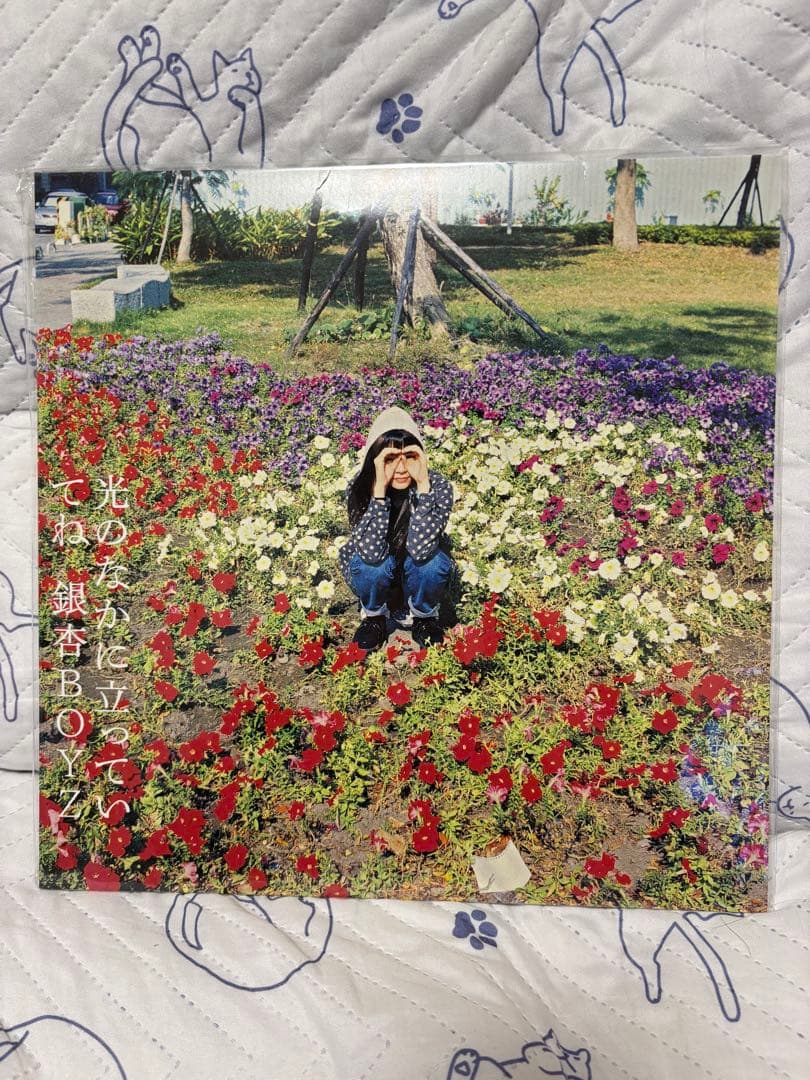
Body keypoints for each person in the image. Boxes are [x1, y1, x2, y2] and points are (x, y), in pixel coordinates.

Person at [338, 406, 454, 652]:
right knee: (370, 565)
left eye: (409, 456)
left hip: (417, 570)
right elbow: (370, 554)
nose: (401, 469)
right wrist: (379, 492)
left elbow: (421, 550)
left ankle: (424, 617)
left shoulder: (437, 486)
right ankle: (374, 617)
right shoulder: (360, 487)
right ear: (375, 459)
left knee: (432, 563)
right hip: (379, 570)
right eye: (390, 459)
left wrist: (423, 488)